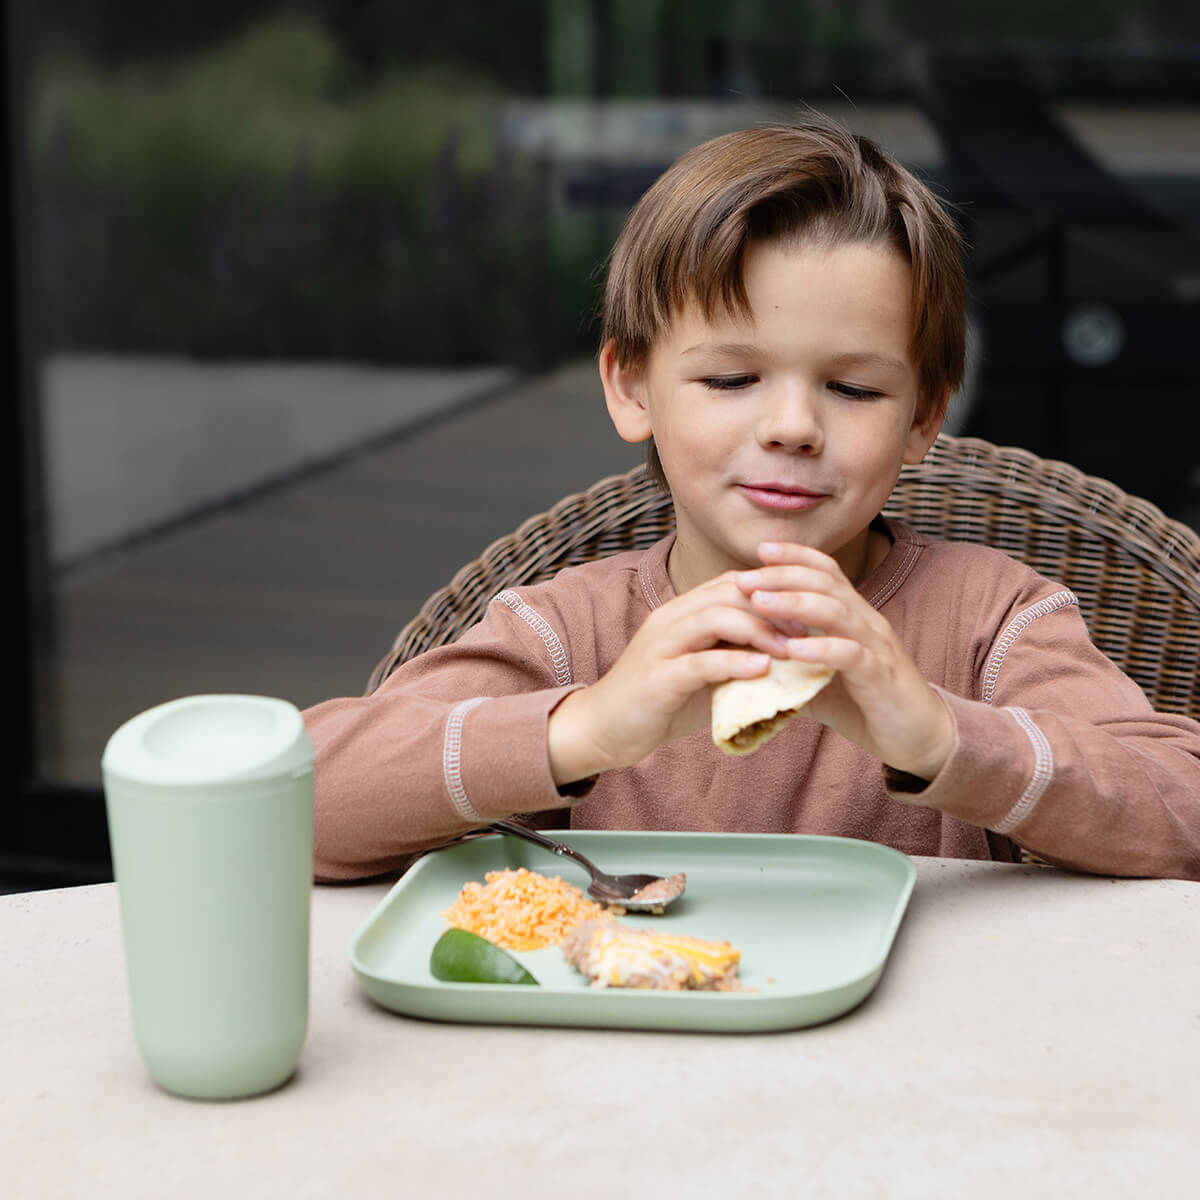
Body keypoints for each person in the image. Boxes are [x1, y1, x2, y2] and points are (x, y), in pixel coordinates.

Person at [304, 116, 1200, 883]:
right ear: (631, 387)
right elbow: (287, 799)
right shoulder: (563, 634)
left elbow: (1182, 808)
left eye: (854, 391)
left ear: (925, 415)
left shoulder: (993, 619)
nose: (793, 427)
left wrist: (942, 738)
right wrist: (585, 729)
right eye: (732, 377)